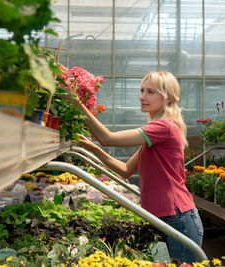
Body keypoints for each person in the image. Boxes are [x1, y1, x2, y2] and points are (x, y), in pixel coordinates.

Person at [62, 71, 203, 263]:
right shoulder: (157, 132)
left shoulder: (164, 127)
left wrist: (74, 101)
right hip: (161, 217)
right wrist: (93, 148)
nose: (142, 96)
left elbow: (108, 138)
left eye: (150, 92)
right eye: (142, 90)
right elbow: (125, 169)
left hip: (177, 218)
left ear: (167, 97)